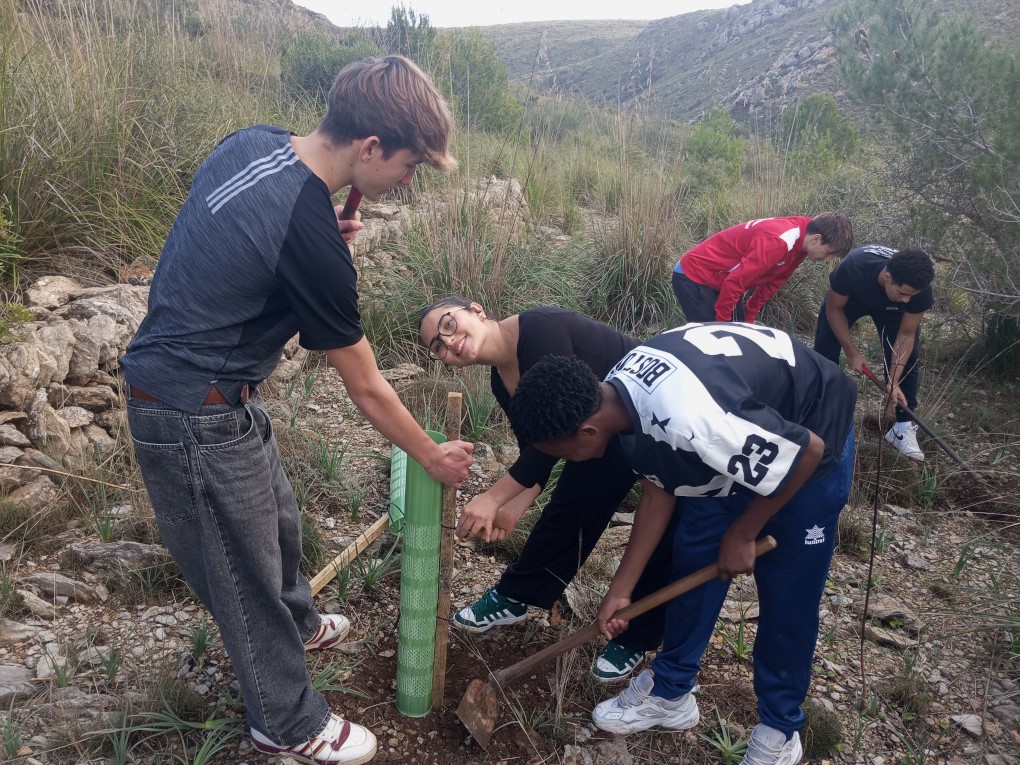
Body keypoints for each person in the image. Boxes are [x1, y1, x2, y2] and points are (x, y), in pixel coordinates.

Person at [120, 56, 474, 765]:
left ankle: (301, 621)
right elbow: (368, 386)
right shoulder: (308, 237)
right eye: (407, 168)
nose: (407, 185)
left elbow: (231, 237)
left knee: (277, 521)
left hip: (221, 394)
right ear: (369, 148)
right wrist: (430, 454)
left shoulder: (254, 142)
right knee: (242, 571)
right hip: (191, 408)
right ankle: (284, 719)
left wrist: (312, 240)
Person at [507, 322, 857, 765]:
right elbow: (658, 488)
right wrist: (622, 589)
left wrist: (744, 533)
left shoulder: (695, 420)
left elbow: (805, 451)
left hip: (808, 438)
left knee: (788, 593)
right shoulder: (618, 402)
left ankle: (780, 729)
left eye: (560, 453)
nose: (562, 462)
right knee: (693, 559)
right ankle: (672, 692)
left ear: (587, 433)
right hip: (737, 436)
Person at [418, 298, 675, 682]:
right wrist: (515, 506)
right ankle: (520, 596)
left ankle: (636, 636)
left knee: (664, 531)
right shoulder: (500, 381)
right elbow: (540, 448)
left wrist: (493, 497)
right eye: (437, 347)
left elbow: (547, 443)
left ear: (476, 310)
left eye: (449, 325)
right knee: (571, 506)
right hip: (596, 438)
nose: (447, 343)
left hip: (654, 419)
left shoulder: (540, 330)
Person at [813, 245, 935, 461]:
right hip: (851, 299)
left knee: (908, 360)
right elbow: (834, 309)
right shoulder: (854, 267)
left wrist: (894, 381)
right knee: (824, 351)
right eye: (903, 293)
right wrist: (852, 352)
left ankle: (902, 428)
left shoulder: (919, 291)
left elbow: (906, 335)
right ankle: (820, 412)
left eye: (912, 296)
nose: (908, 300)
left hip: (891, 311)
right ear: (888, 277)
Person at [671, 212, 854, 323]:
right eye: (829, 252)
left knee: (739, 334)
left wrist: (749, 318)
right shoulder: (779, 241)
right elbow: (735, 282)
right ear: (816, 239)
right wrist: (722, 328)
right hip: (694, 276)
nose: (828, 259)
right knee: (711, 343)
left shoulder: (802, 244)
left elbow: (773, 283)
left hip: (722, 281)